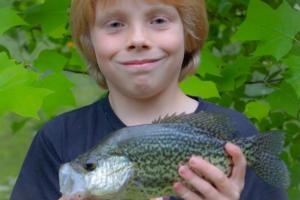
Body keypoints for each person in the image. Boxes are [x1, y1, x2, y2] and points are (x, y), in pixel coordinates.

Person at [10, 0, 288, 200]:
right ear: (90, 43)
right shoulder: (57, 139)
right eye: (115, 23)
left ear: (188, 34)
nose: (138, 39)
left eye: (158, 20)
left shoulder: (236, 137)